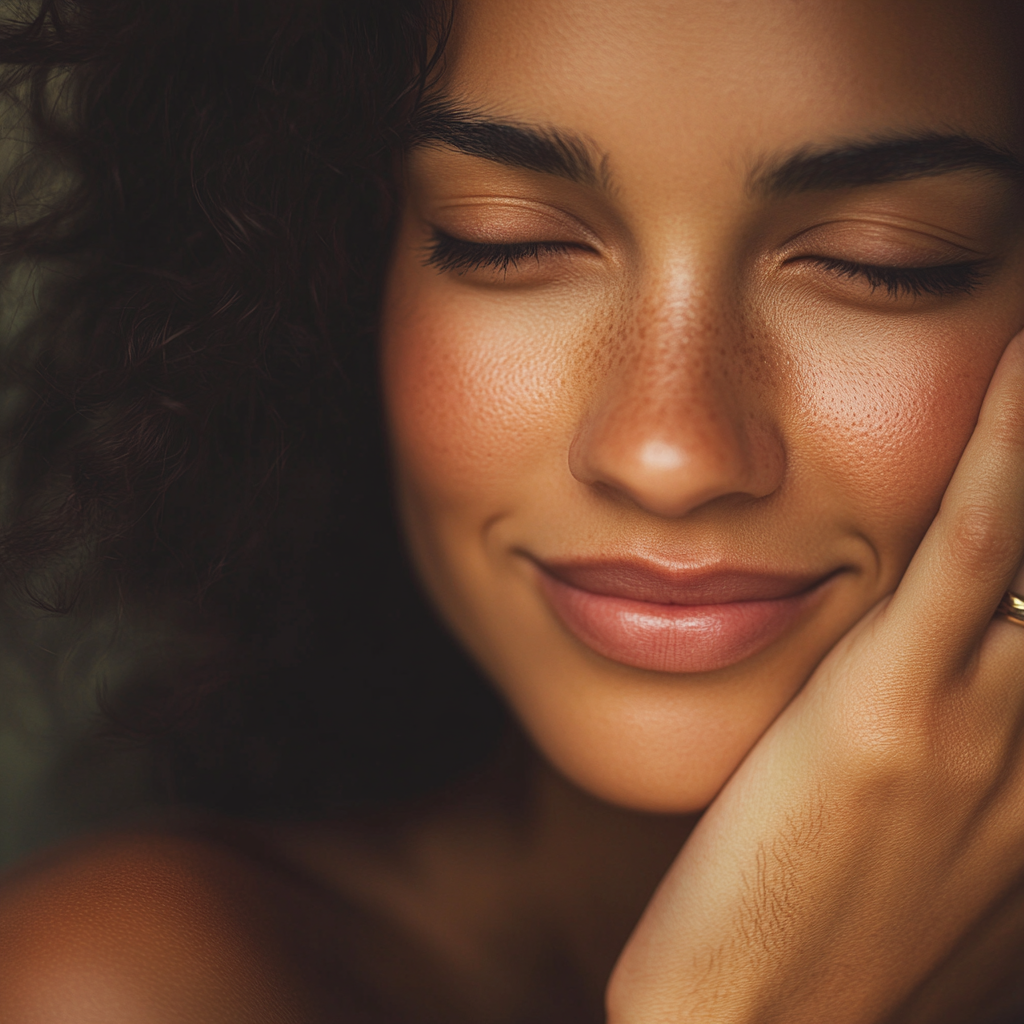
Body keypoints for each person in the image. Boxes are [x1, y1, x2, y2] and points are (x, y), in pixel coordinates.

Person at [1, 0, 1024, 1021]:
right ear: (348, 278)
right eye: (503, 242)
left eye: (881, 260)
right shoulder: (125, 985)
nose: (665, 453)